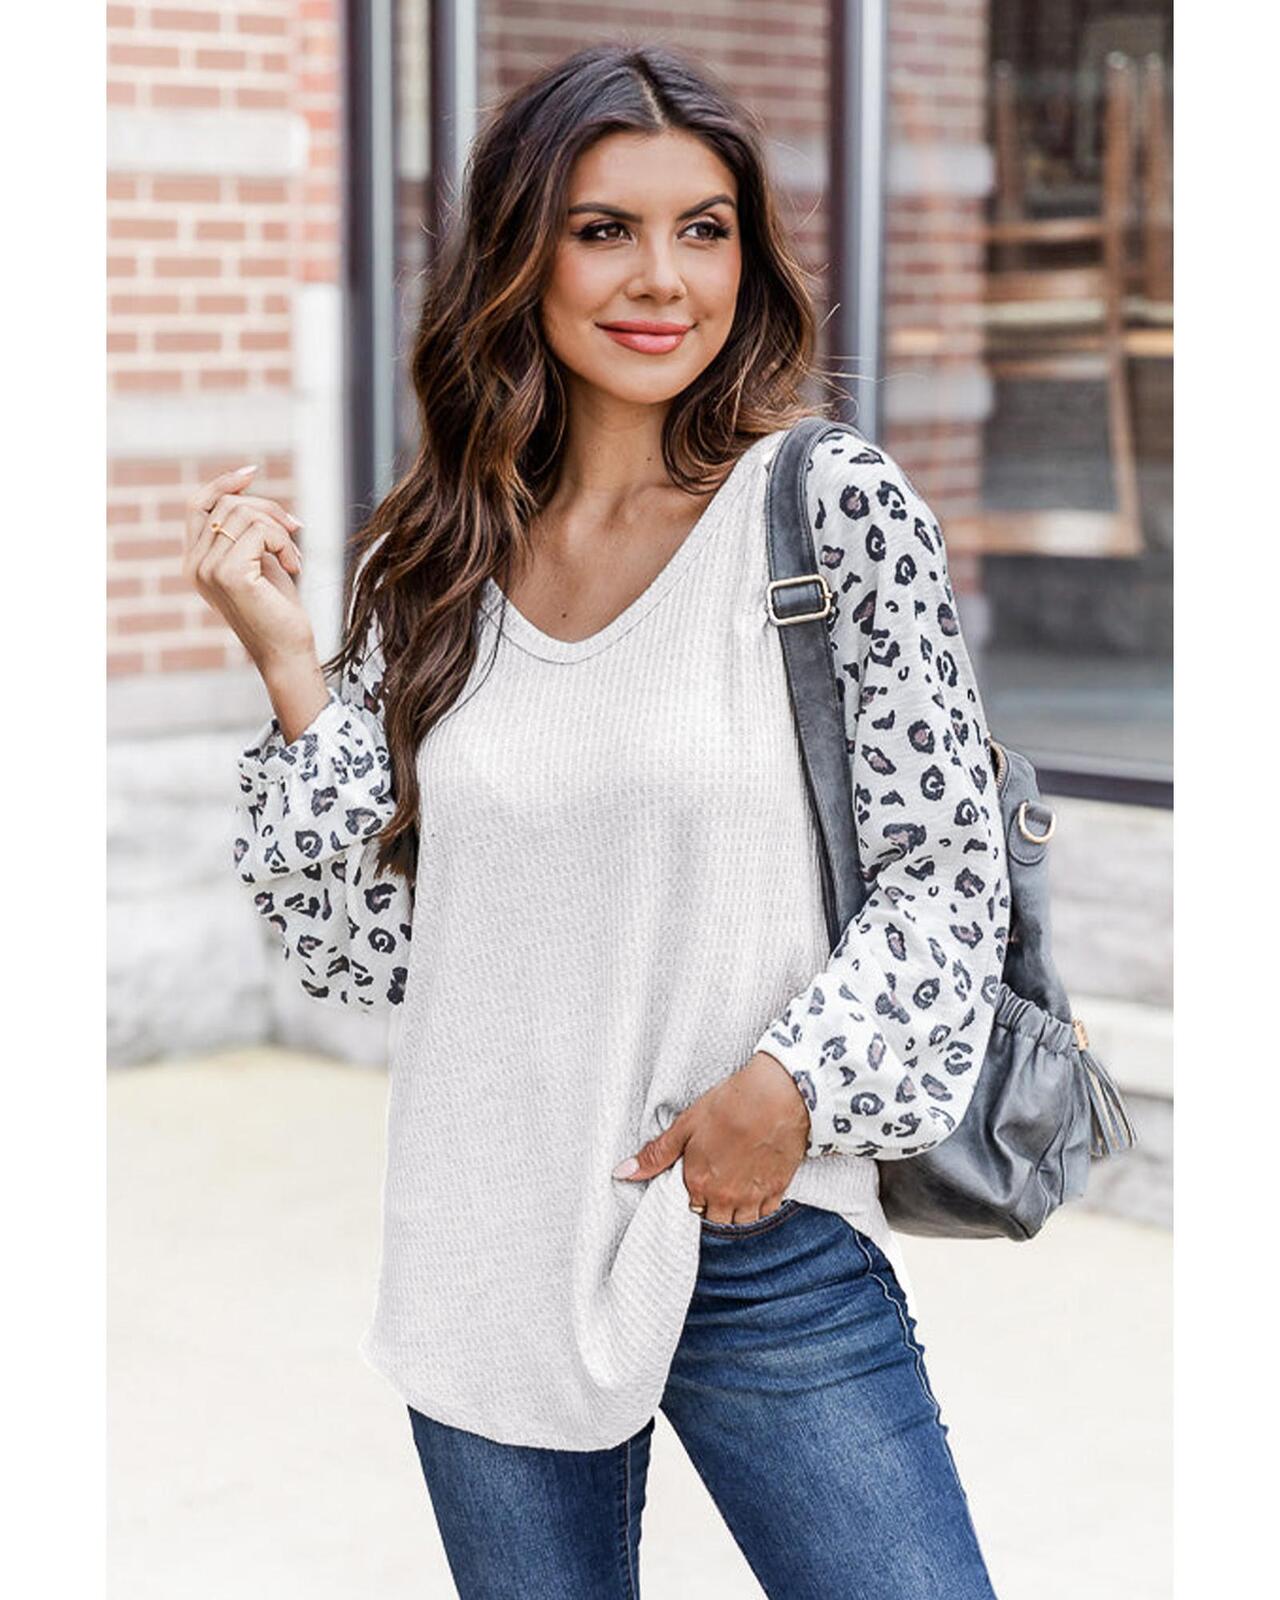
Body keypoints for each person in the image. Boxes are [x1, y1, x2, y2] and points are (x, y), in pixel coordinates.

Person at [187, 41, 1005, 1600]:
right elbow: (369, 951)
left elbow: (947, 873)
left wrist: (791, 1084)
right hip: (485, 1237)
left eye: (705, 229)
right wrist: (291, 664)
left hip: (756, 1232)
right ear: (523, 256)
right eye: (604, 228)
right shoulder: (441, 560)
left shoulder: (827, 508)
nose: (663, 279)